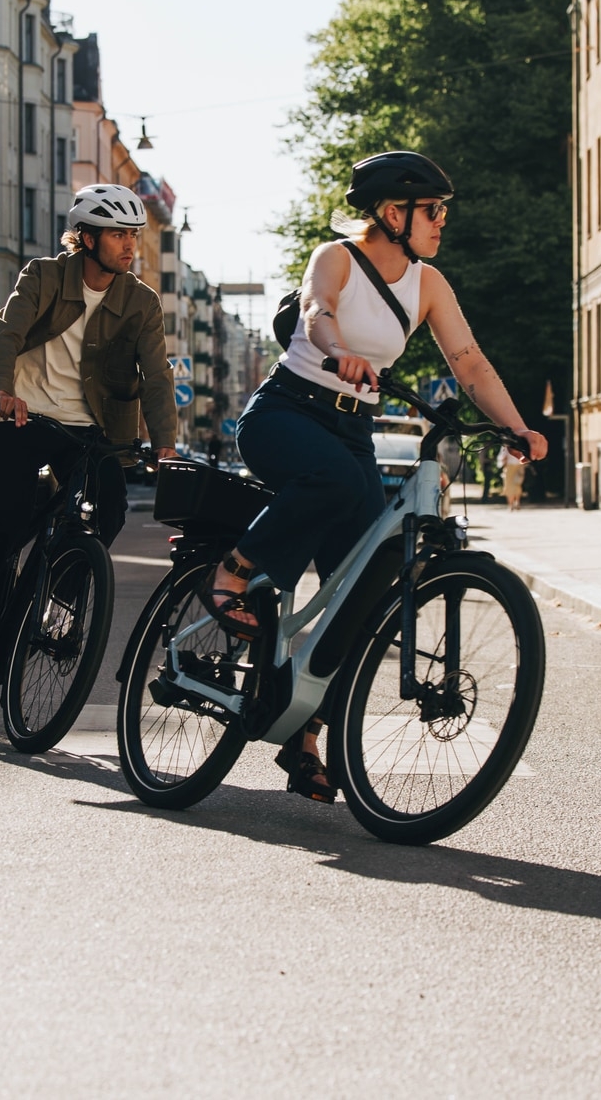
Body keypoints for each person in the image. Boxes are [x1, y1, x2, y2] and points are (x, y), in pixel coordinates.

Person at [208, 151, 549, 801]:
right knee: (333, 483)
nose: (442, 221)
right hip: (287, 414)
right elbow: (317, 313)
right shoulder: (334, 257)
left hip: (351, 434)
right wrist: (341, 355)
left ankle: (304, 735)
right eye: (434, 211)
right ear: (394, 213)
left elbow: (469, 362)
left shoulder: (428, 284)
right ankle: (236, 567)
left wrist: (517, 426)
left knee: (370, 581)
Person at [0, 185, 181, 686]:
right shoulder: (43, 276)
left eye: (134, 235)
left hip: (91, 428)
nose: (130, 246)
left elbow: (157, 374)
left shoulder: (141, 302)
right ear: (85, 238)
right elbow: (5, 336)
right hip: (24, 415)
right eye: (118, 235)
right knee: (8, 522)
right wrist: (3, 392)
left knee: (111, 511)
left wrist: (164, 441)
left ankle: (59, 598)